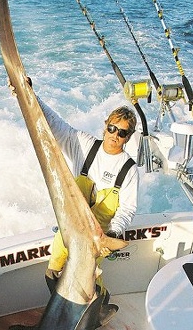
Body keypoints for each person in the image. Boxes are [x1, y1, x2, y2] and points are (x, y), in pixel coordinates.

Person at [36, 94, 139, 295]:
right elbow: (56, 124)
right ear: (105, 126)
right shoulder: (84, 145)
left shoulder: (129, 169)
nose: (115, 135)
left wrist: (112, 234)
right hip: (70, 228)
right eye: (112, 128)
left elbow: (127, 209)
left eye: (122, 132)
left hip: (97, 237)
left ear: (128, 137)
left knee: (88, 283)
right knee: (52, 273)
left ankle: (99, 304)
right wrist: (31, 95)